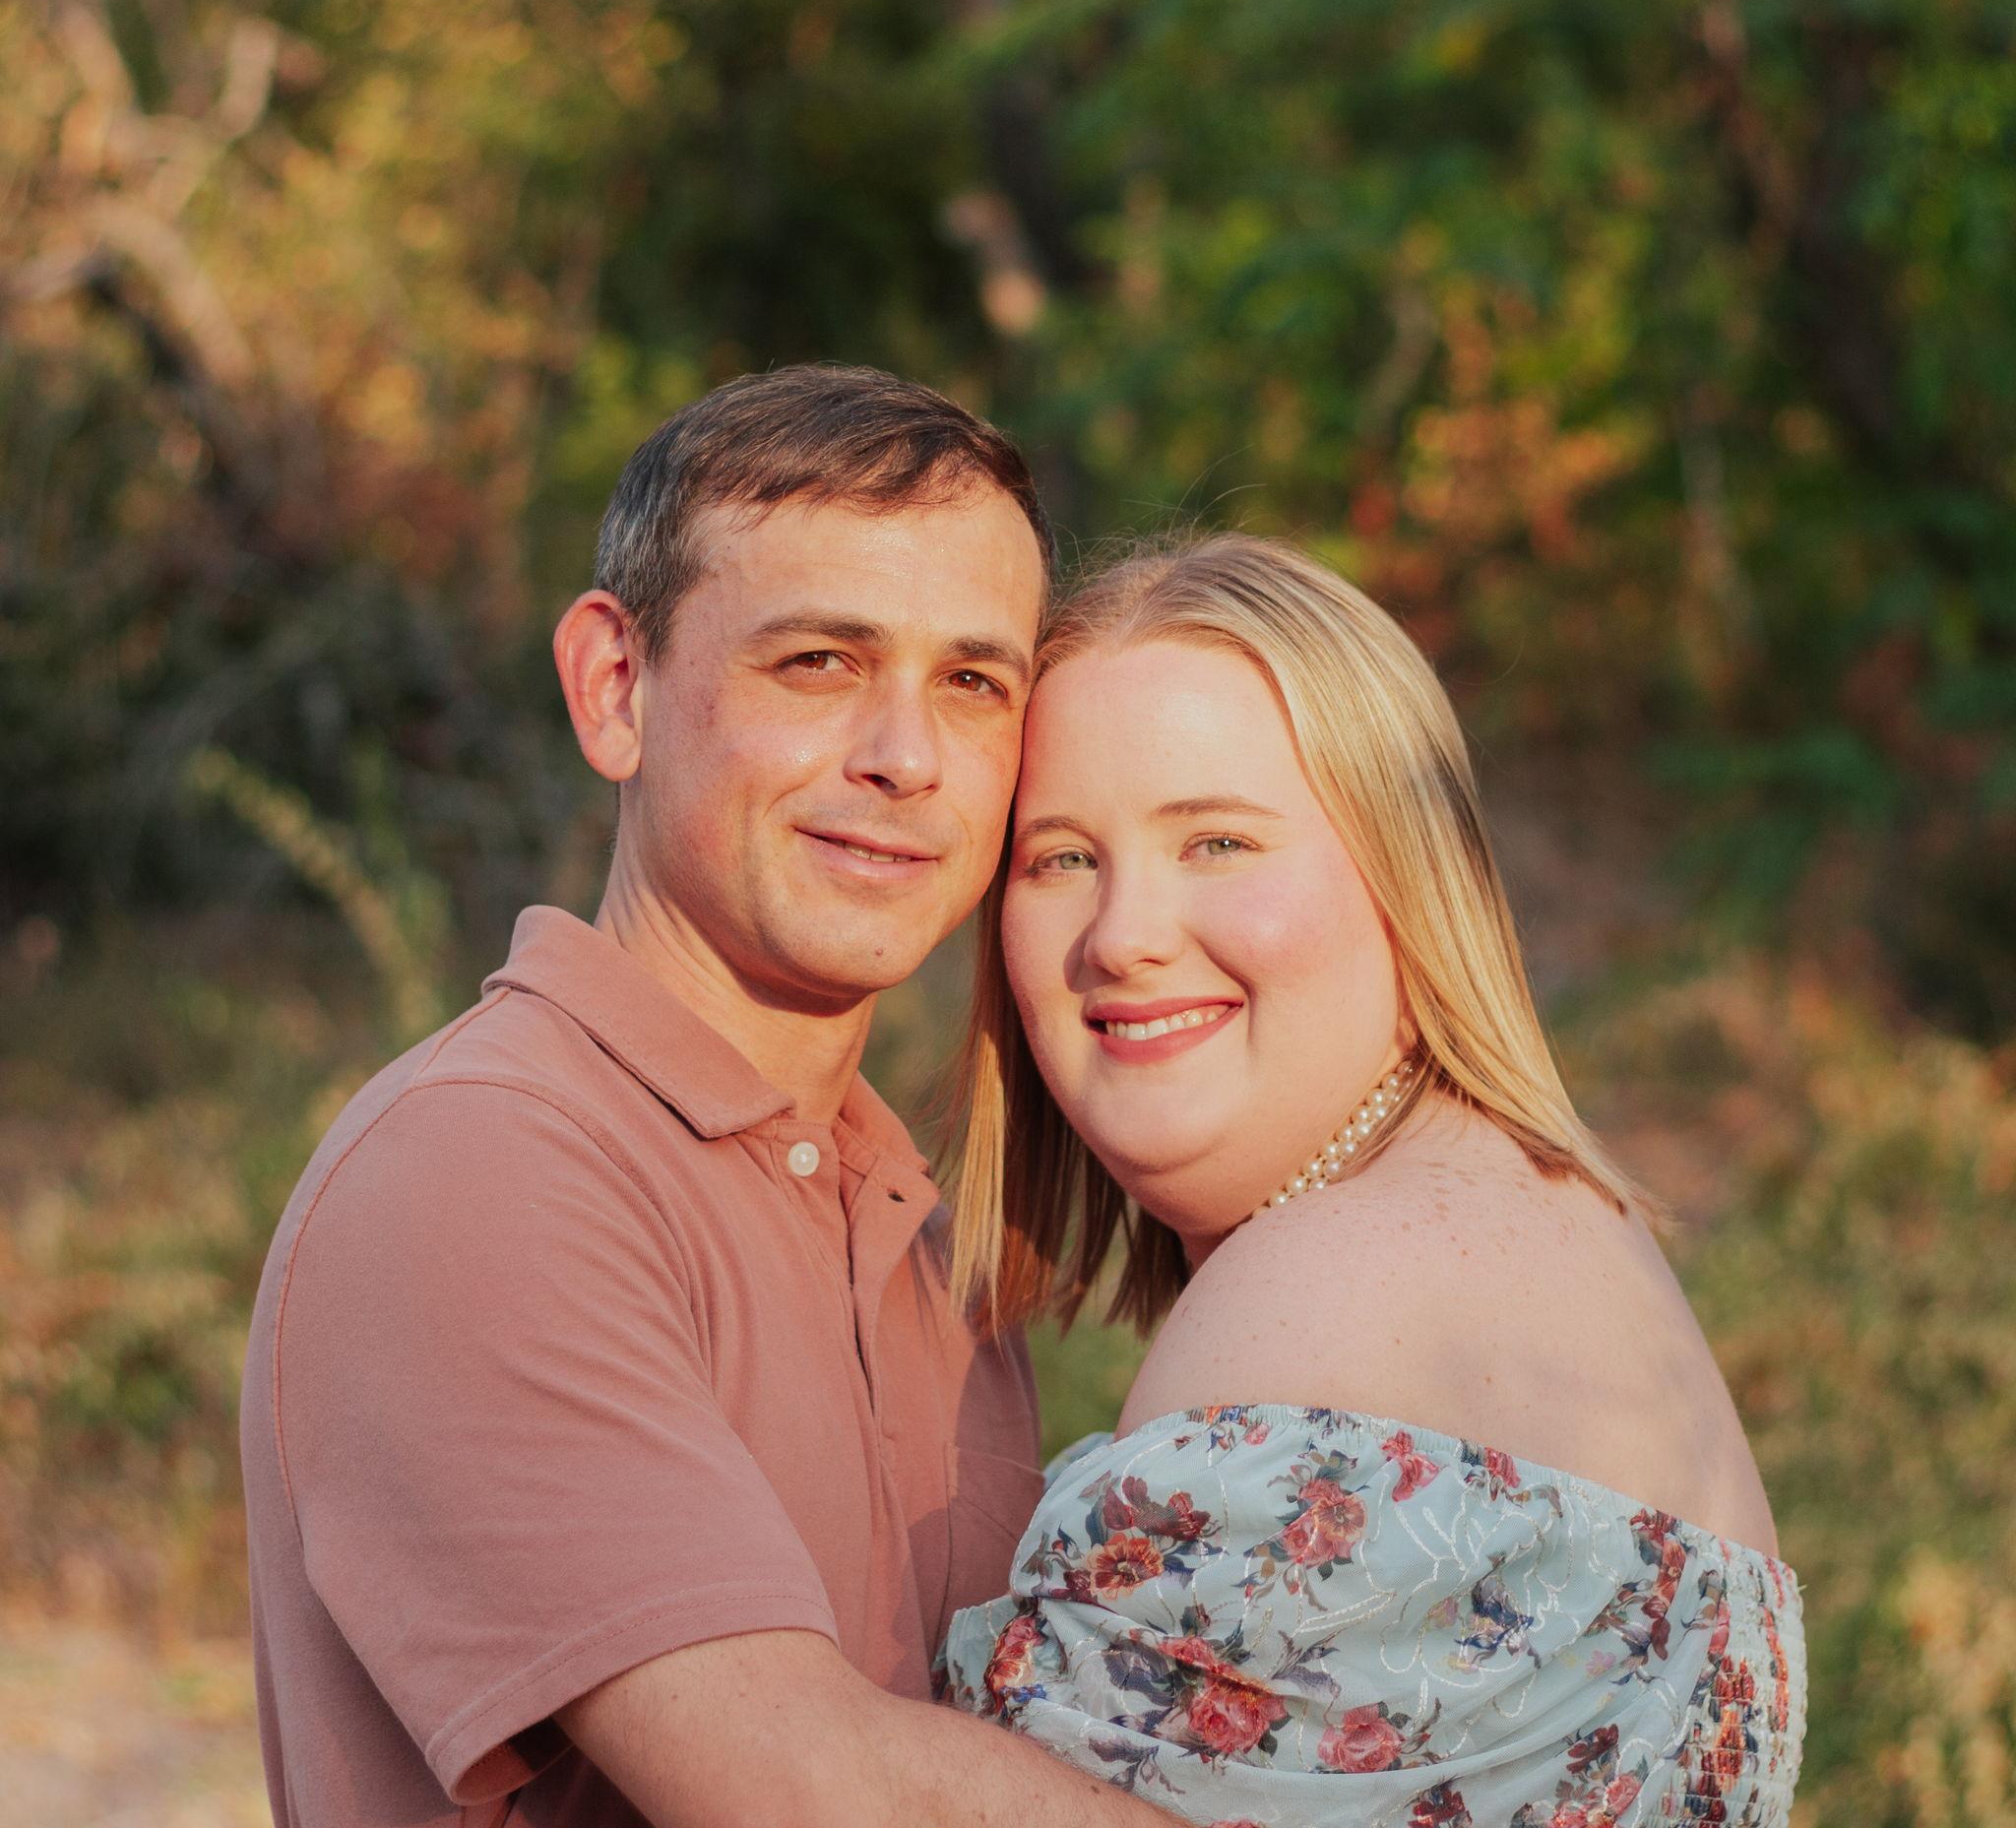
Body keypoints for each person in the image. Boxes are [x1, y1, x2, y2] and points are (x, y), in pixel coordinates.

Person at [239, 365, 1169, 1827]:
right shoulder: (481, 1172)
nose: (905, 758)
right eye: (820, 663)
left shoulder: (922, 1238)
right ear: (615, 688)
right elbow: (811, 1795)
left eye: (973, 685)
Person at [940, 532, 1806, 1824]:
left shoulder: (1315, 1294)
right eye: (1061, 858)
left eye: (1218, 842)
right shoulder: (1565, 1223)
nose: (1122, 936)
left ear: (1409, 876)